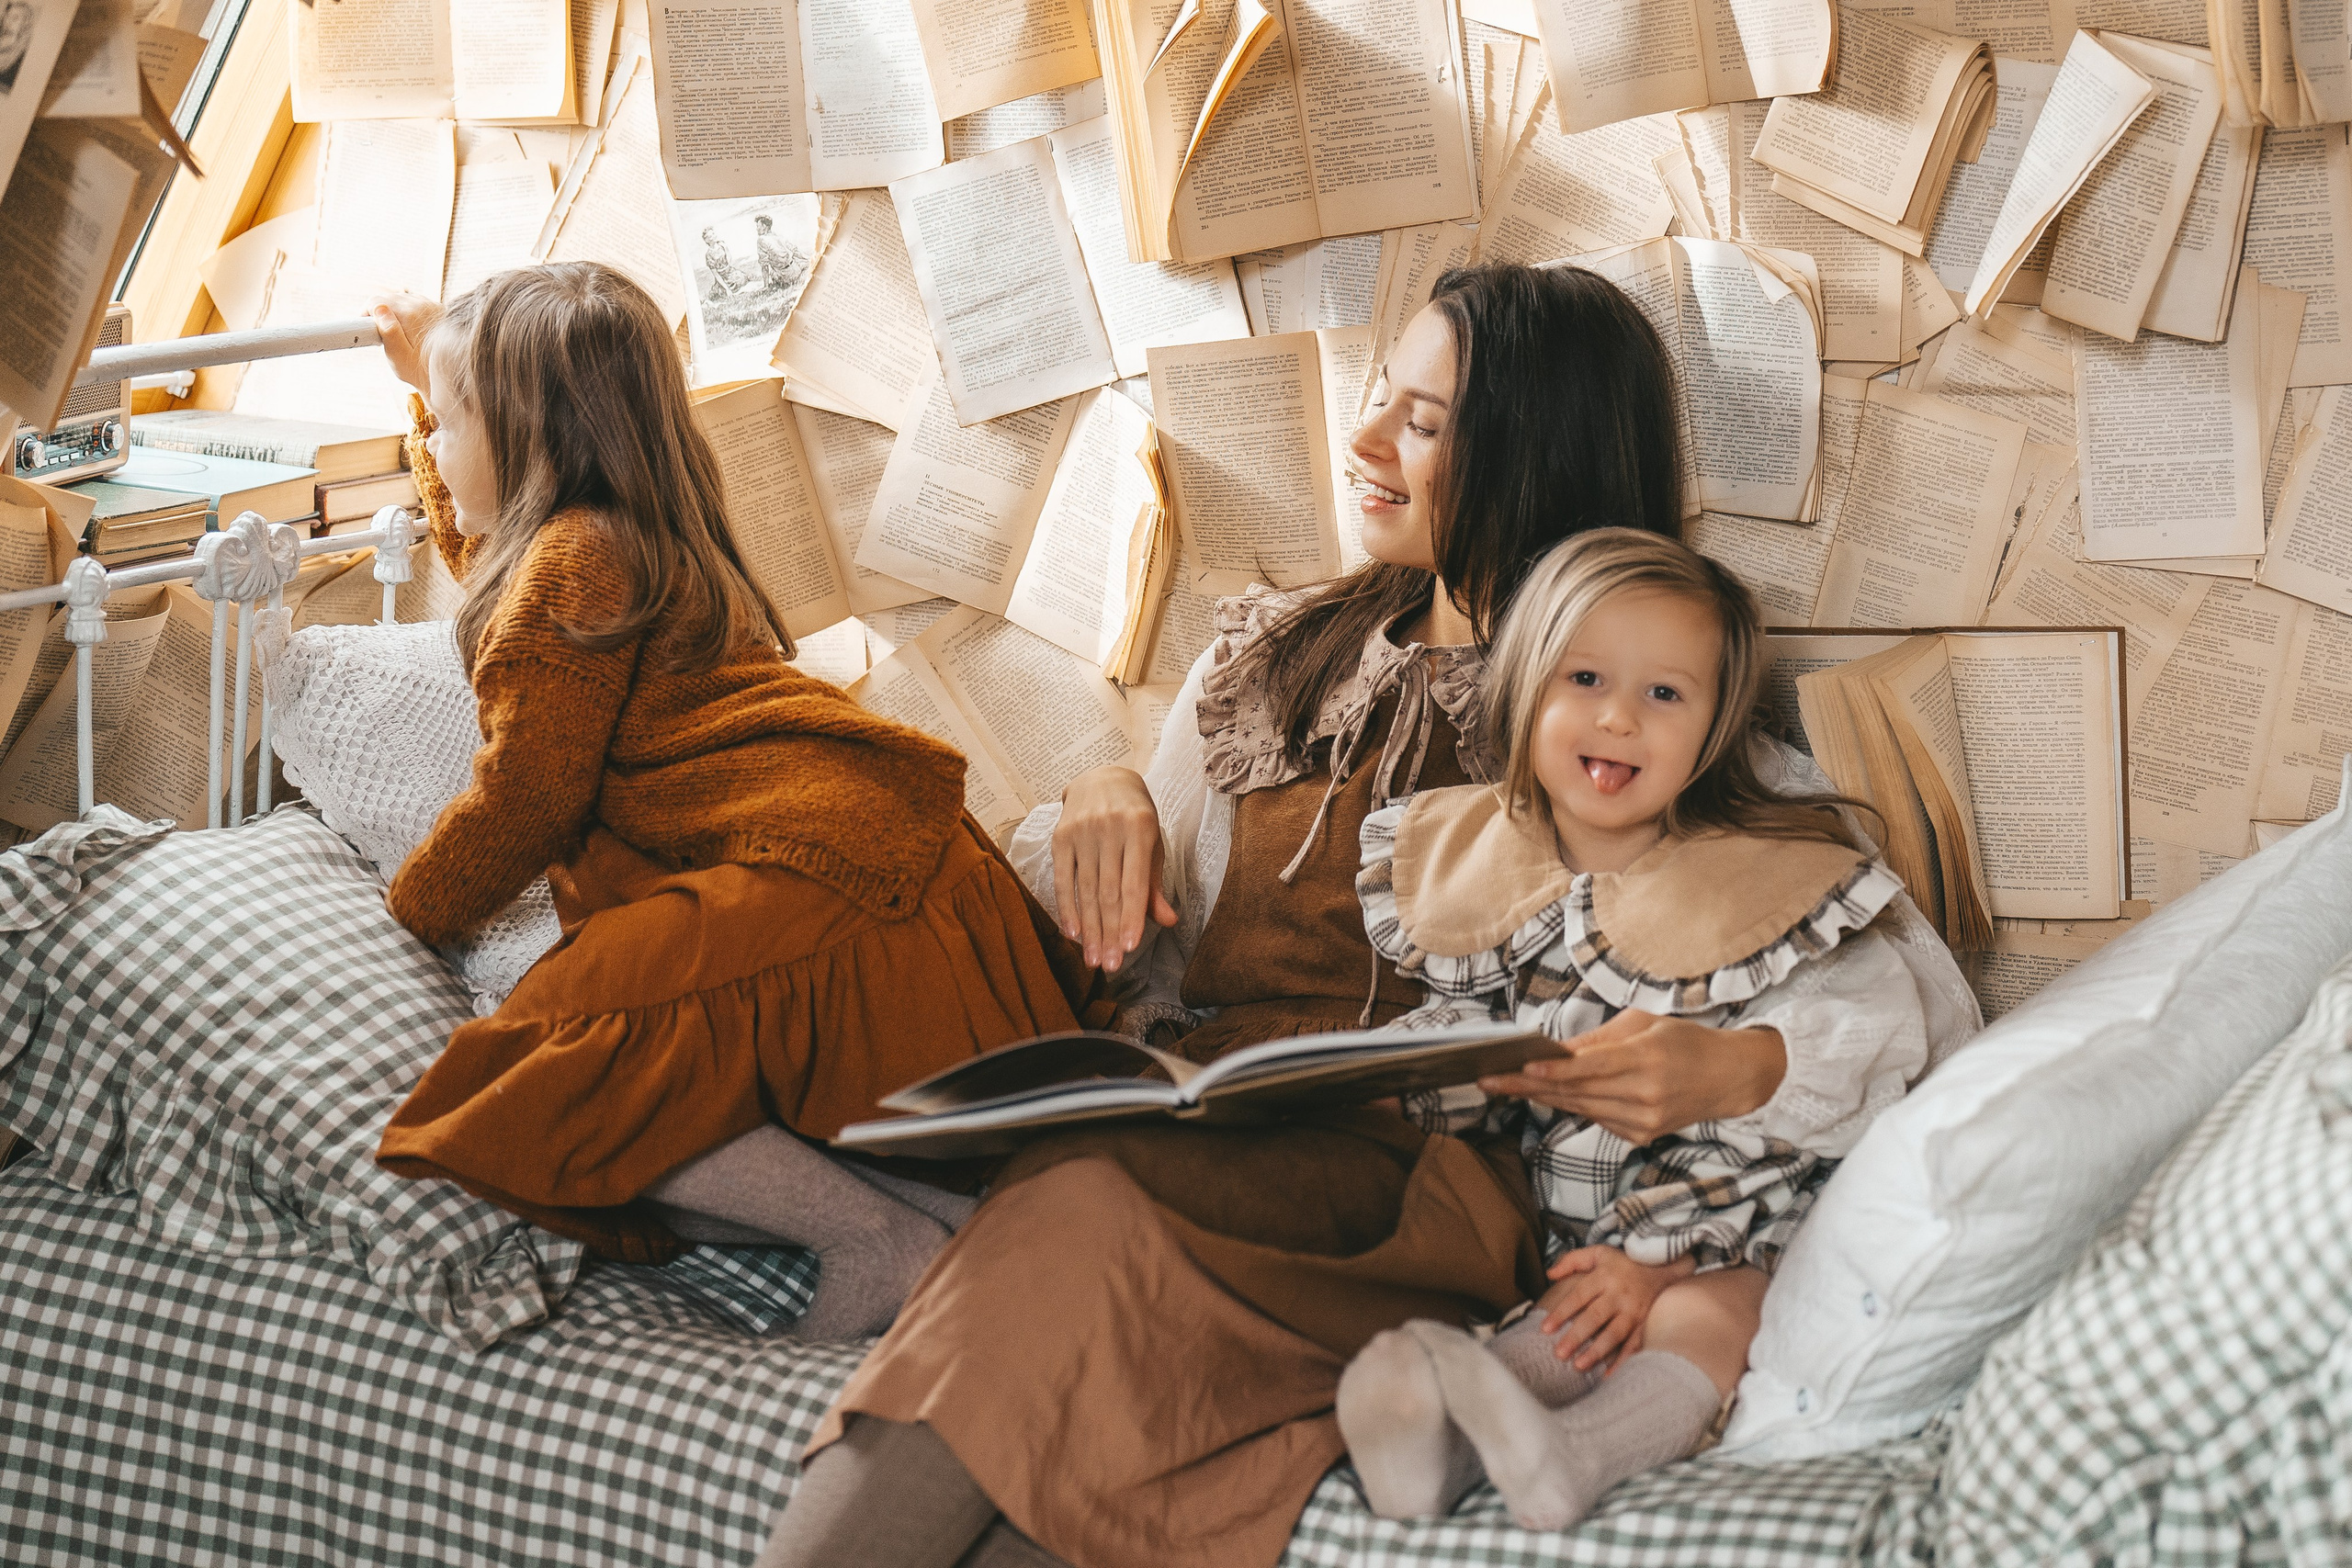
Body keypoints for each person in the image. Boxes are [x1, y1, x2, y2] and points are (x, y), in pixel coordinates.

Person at [760, 264, 1977, 1568]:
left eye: (1425, 420)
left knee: (1075, 1216)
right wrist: (1105, 793)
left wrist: (1731, 1068)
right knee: (1072, 1292)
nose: (1366, 439)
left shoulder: (1622, 717)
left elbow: (1906, 1004)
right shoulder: (1272, 661)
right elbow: (1144, 935)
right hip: (1212, 1128)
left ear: (1531, 450)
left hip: (1424, 1183)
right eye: (1382, 398)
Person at [362, 265, 1098, 1340]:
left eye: (449, 423)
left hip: (824, 878)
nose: (433, 447)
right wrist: (428, 390)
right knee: (625, 1104)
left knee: (550, 1065)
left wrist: (409, 911)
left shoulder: (569, 562)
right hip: (895, 853)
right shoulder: (635, 534)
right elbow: (490, 555)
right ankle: (938, 1221)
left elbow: (528, 797)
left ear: (524, 439)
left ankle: (874, 1239)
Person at [1337, 527, 1936, 1531]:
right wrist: (1431, 1073)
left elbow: (1874, 1032)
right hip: (1579, 1231)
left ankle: (1584, 1455)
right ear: (1525, 686)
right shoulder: (1477, 861)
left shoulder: (1765, 876)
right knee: (1566, 1314)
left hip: (1744, 1217)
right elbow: (1463, 1033)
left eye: (1665, 693)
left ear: (1713, 729)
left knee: (1707, 1311)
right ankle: (1442, 1443)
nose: (1619, 717)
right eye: (1585, 678)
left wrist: (1745, 1068)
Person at [755, 214, 808, 294]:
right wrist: (807, 258)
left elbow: (764, 266)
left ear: (764, 226)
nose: (756, 229)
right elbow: (795, 251)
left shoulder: (761, 240)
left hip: (785, 277)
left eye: (758, 226)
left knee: (771, 271)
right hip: (796, 271)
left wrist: (766, 286)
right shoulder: (778, 237)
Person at [701, 226, 749, 299]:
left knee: (742, 279)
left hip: (730, 271)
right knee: (725, 291)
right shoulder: (709, 255)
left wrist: (726, 248)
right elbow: (716, 274)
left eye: (713, 234)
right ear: (707, 240)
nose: (714, 236)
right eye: (711, 236)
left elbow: (729, 261)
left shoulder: (722, 245)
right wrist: (727, 289)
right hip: (722, 277)